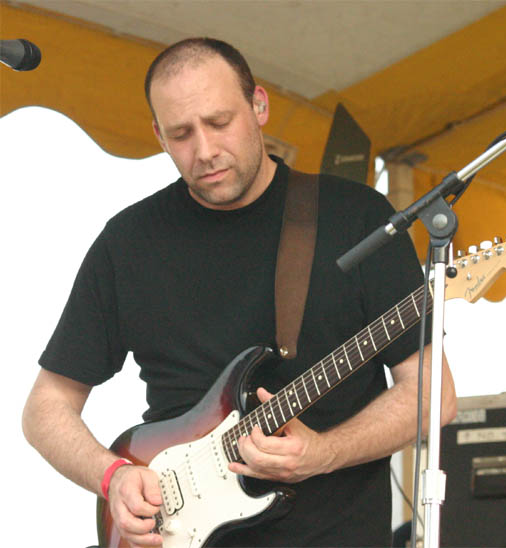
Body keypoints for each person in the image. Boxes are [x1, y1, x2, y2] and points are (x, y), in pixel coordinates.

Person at [22, 37, 456, 548]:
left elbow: (433, 395)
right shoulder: (128, 243)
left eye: (219, 122)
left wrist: (325, 453)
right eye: (181, 134)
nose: (205, 151)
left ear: (259, 106)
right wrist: (111, 475)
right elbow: (46, 407)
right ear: (159, 136)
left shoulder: (358, 219)